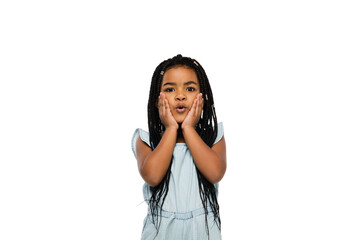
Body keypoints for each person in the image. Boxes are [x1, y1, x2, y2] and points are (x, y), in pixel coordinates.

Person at [131, 54, 226, 240]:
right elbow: (153, 176)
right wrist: (171, 128)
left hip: (203, 230)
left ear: (202, 97)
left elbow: (215, 173)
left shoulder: (213, 137)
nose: (180, 96)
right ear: (157, 100)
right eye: (169, 89)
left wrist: (189, 128)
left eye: (190, 88)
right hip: (161, 231)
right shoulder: (145, 139)